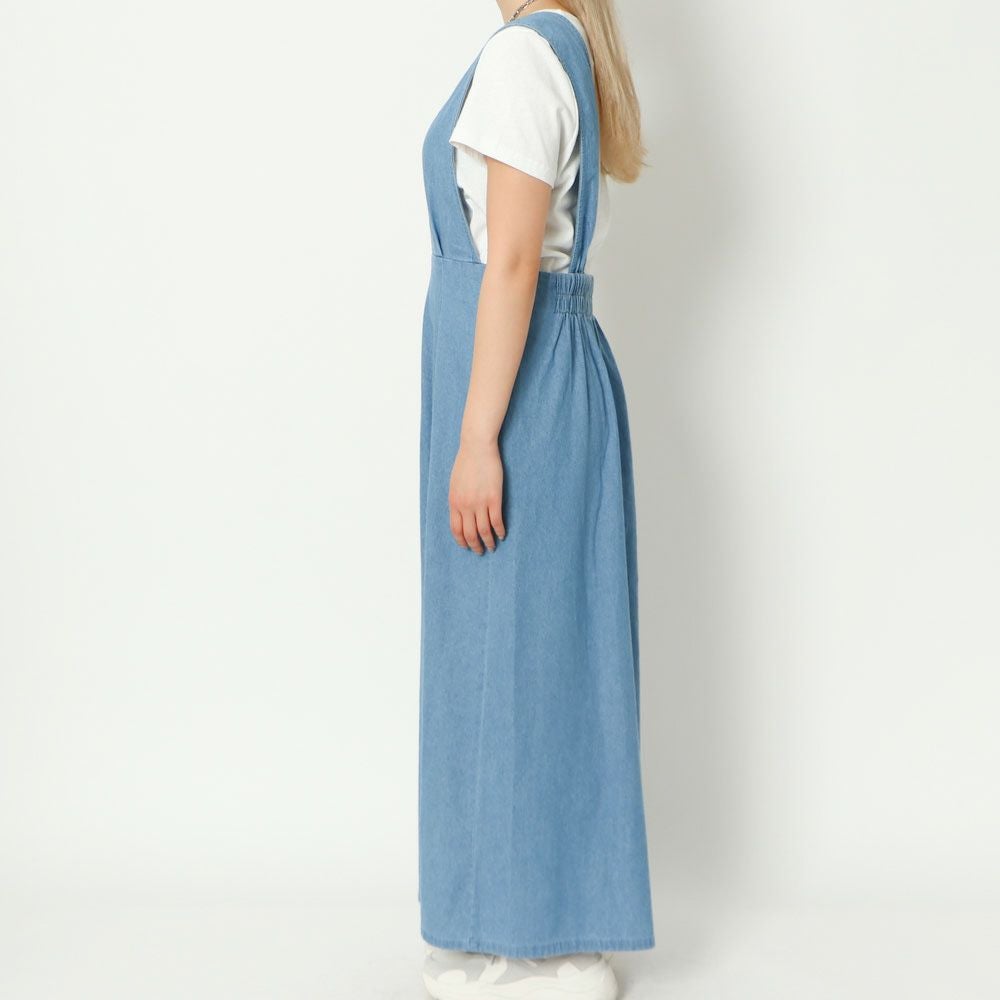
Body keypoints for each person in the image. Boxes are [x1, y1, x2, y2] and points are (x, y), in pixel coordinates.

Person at [418, 3, 653, 997]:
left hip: (516, 393)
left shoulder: (521, 56)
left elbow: (512, 260)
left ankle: (538, 947)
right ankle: (537, 928)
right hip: (540, 373)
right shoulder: (563, 47)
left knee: (513, 657)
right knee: (531, 653)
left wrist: (478, 436)